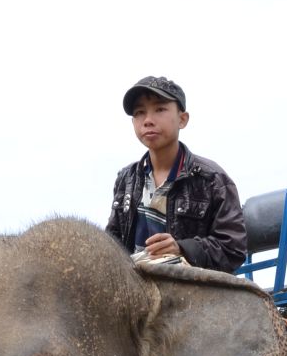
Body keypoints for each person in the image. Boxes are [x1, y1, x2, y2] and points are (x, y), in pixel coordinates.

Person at [105, 76, 248, 273]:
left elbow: (233, 249)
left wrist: (182, 249)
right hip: (135, 289)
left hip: (190, 288)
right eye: (139, 113)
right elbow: (112, 243)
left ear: (182, 119)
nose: (147, 120)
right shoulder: (126, 179)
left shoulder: (212, 179)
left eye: (160, 109)